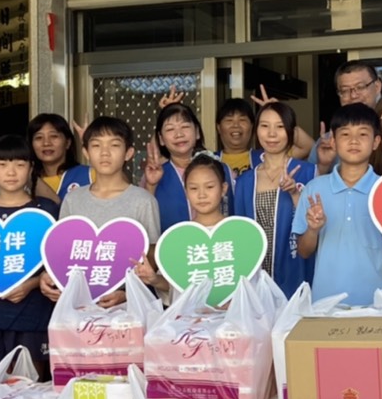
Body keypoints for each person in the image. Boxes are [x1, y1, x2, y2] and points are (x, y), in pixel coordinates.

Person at [0, 135, 59, 381]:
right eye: (3, 164)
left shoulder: (47, 210)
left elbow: (57, 266)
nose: (11, 172)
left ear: (31, 168)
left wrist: (32, 284)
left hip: (32, 313)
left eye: (19, 164)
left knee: (31, 395)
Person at [295, 103, 382, 303]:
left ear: (376, 141)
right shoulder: (314, 189)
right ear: (333, 140)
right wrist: (313, 230)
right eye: (345, 134)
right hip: (326, 304)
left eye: (363, 134)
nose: (354, 141)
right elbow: (303, 251)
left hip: (379, 303)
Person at [49, 117, 162, 308]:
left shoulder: (143, 201)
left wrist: (125, 292)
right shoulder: (73, 199)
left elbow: (151, 257)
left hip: (126, 309)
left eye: (114, 145)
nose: (105, 153)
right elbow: (63, 251)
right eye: (96, 145)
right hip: (79, 305)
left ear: (129, 153)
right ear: (85, 152)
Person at [232, 101, 314, 297]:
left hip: (295, 271)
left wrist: (295, 194)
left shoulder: (308, 172)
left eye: (279, 127)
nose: (271, 134)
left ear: (291, 132)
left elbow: (315, 226)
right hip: (256, 279)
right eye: (264, 126)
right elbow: (239, 234)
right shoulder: (245, 181)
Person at [143, 102, 209, 233]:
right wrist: (151, 185)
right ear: (161, 139)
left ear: (197, 132)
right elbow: (146, 221)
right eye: (170, 129)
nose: (179, 134)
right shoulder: (155, 175)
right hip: (173, 248)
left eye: (184, 126)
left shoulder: (219, 170)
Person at [311, 61, 382, 172]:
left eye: (360, 87)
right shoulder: (327, 141)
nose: (354, 96)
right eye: (345, 90)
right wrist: (323, 165)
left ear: (377, 86)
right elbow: (307, 186)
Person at [28, 113, 90, 204]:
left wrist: (91, 144)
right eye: (39, 137)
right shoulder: (23, 181)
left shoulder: (89, 174)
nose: (46, 143)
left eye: (54, 136)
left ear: (68, 143)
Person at [216, 97, 258, 176]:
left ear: (252, 126)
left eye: (242, 120)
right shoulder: (209, 160)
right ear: (218, 127)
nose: (236, 125)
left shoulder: (264, 158)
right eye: (229, 120)